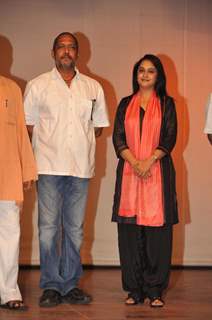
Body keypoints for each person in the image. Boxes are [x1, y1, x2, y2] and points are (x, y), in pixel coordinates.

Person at [24, 32, 109, 307]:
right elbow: (28, 126)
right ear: (53, 52)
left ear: (78, 53)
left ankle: (71, 284)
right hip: (48, 166)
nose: (66, 51)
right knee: (48, 229)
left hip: (80, 169)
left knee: (74, 229)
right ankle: (50, 285)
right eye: (61, 47)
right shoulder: (38, 86)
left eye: (71, 47)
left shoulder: (93, 88)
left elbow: (98, 127)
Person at [112, 54, 178, 307]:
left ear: (158, 76)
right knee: (130, 234)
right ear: (135, 74)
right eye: (141, 70)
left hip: (157, 173)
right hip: (130, 173)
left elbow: (170, 136)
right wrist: (135, 162)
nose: (146, 75)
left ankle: (155, 290)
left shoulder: (167, 104)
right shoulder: (125, 103)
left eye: (151, 71)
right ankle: (134, 290)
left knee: (157, 235)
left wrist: (148, 161)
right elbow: (118, 138)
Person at [0, 76, 37, 310]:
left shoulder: (11, 88)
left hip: (8, 171)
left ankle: (9, 291)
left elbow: (21, 131)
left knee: (10, 233)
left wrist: (27, 170)